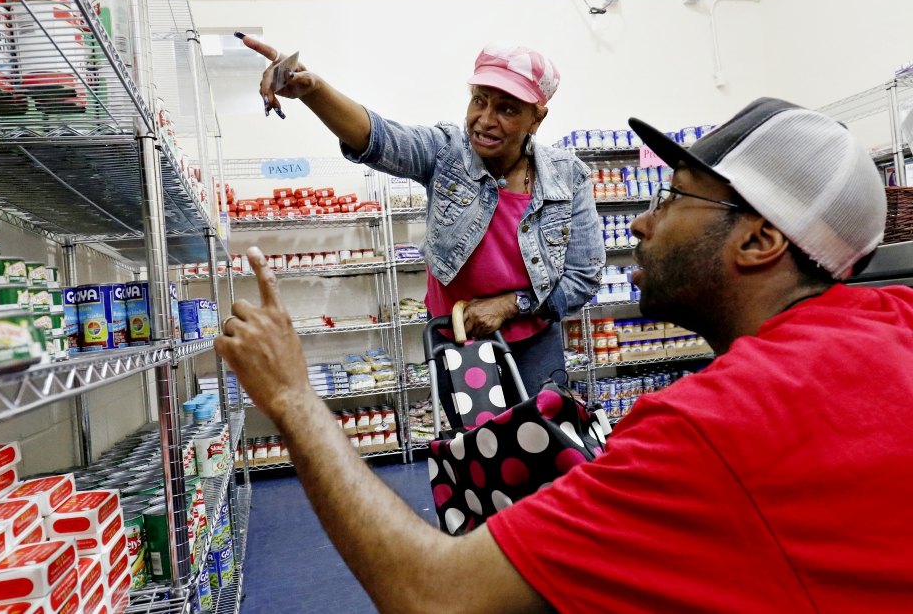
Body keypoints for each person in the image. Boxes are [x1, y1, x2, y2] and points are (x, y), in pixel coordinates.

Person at [216, 97, 913, 613]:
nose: (640, 221)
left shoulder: (713, 429)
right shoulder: (896, 320)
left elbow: (431, 596)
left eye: (672, 198)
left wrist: (292, 398)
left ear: (760, 242)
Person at [239, 36, 604, 404]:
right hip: (459, 340)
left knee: (543, 444)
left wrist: (512, 305)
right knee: (476, 450)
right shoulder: (447, 152)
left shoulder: (568, 176)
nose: (485, 120)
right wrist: (312, 90)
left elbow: (583, 277)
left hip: (534, 345)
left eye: (507, 109)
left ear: (536, 118)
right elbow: (380, 138)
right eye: (479, 100)